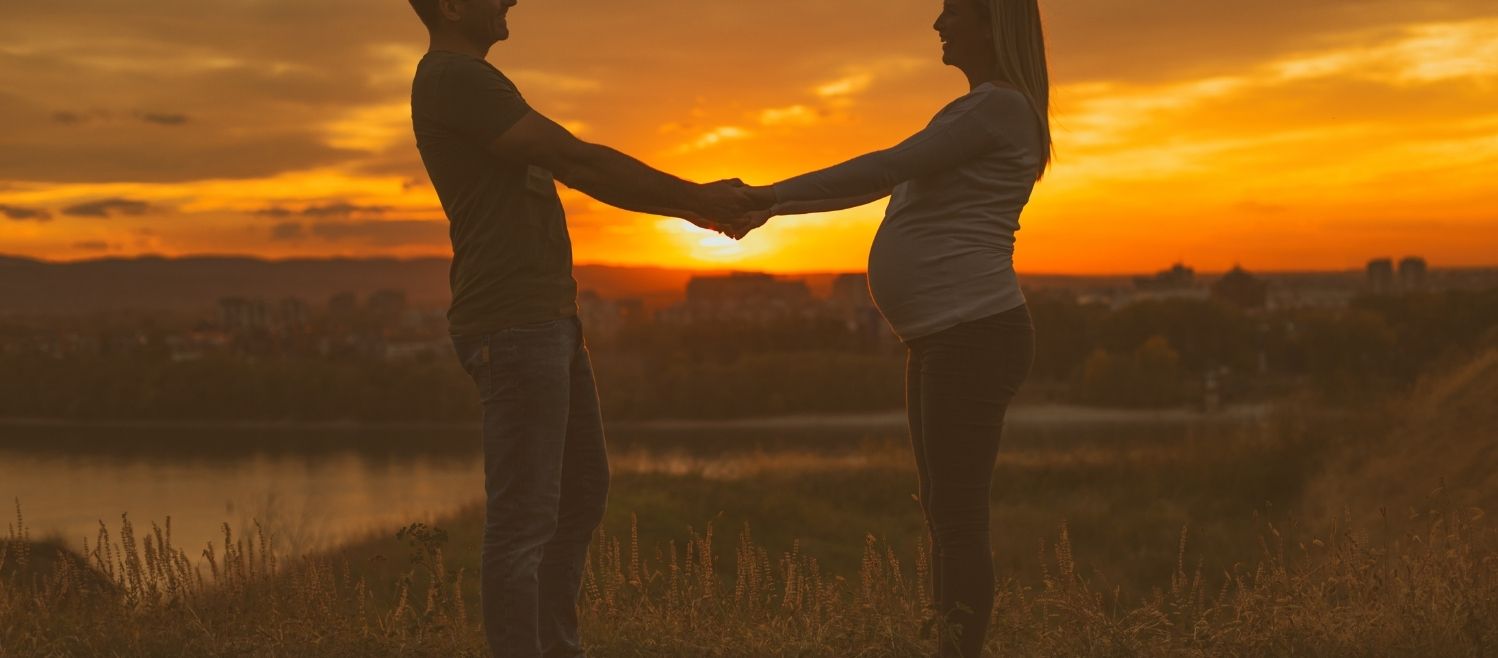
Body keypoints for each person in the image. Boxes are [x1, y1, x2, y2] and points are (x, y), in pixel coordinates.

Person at [405, 1, 765, 656]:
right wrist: (698, 201)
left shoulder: (473, 80)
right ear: (452, 5)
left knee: (577, 498)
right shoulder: (454, 78)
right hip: (514, 324)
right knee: (523, 524)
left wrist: (697, 206)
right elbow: (581, 162)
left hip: (546, 318)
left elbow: (575, 163)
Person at [734, 1, 1053, 655]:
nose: (938, 24)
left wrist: (766, 195)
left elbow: (881, 168)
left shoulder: (997, 107)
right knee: (943, 516)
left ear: (993, 23)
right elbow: (876, 183)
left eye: (951, 11)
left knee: (958, 521)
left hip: (973, 334)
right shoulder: (982, 108)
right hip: (947, 336)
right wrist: (771, 210)